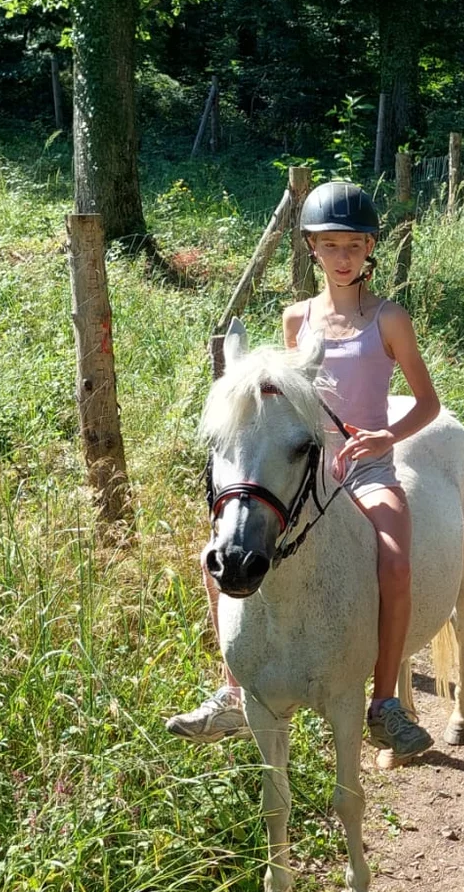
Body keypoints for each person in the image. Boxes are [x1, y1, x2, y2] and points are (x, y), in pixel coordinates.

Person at [166, 180, 440, 761]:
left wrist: (385, 436)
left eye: (353, 246)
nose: (342, 258)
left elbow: (427, 404)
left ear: (371, 249)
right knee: (214, 554)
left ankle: (385, 702)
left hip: (367, 470)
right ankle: (234, 692)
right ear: (311, 249)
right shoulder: (298, 320)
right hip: (308, 473)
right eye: (329, 245)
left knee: (394, 559)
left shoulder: (389, 320)